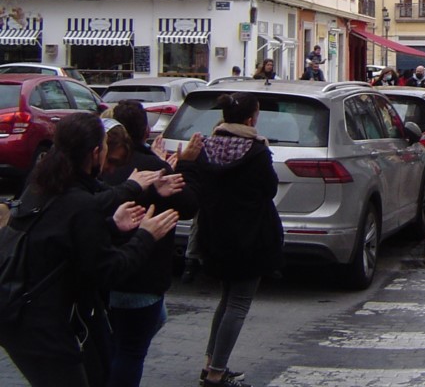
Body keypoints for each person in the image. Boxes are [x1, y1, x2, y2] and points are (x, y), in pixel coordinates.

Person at [0, 113, 179, 387]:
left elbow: (63, 240)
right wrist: (146, 236)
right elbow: (108, 270)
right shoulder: (79, 202)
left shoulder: (41, 183)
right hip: (42, 322)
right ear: (96, 153)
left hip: (21, 313)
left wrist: (113, 225)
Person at [177, 93, 283, 387]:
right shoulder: (257, 152)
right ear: (250, 119)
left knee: (226, 300)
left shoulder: (206, 147)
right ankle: (217, 371)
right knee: (238, 303)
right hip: (251, 237)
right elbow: (270, 189)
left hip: (215, 234)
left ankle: (211, 362)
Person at [103, 100, 200, 387]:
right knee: (129, 350)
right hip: (141, 273)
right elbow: (189, 205)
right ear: (145, 131)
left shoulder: (98, 166)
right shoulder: (151, 167)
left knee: (121, 340)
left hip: (105, 270)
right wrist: (185, 167)